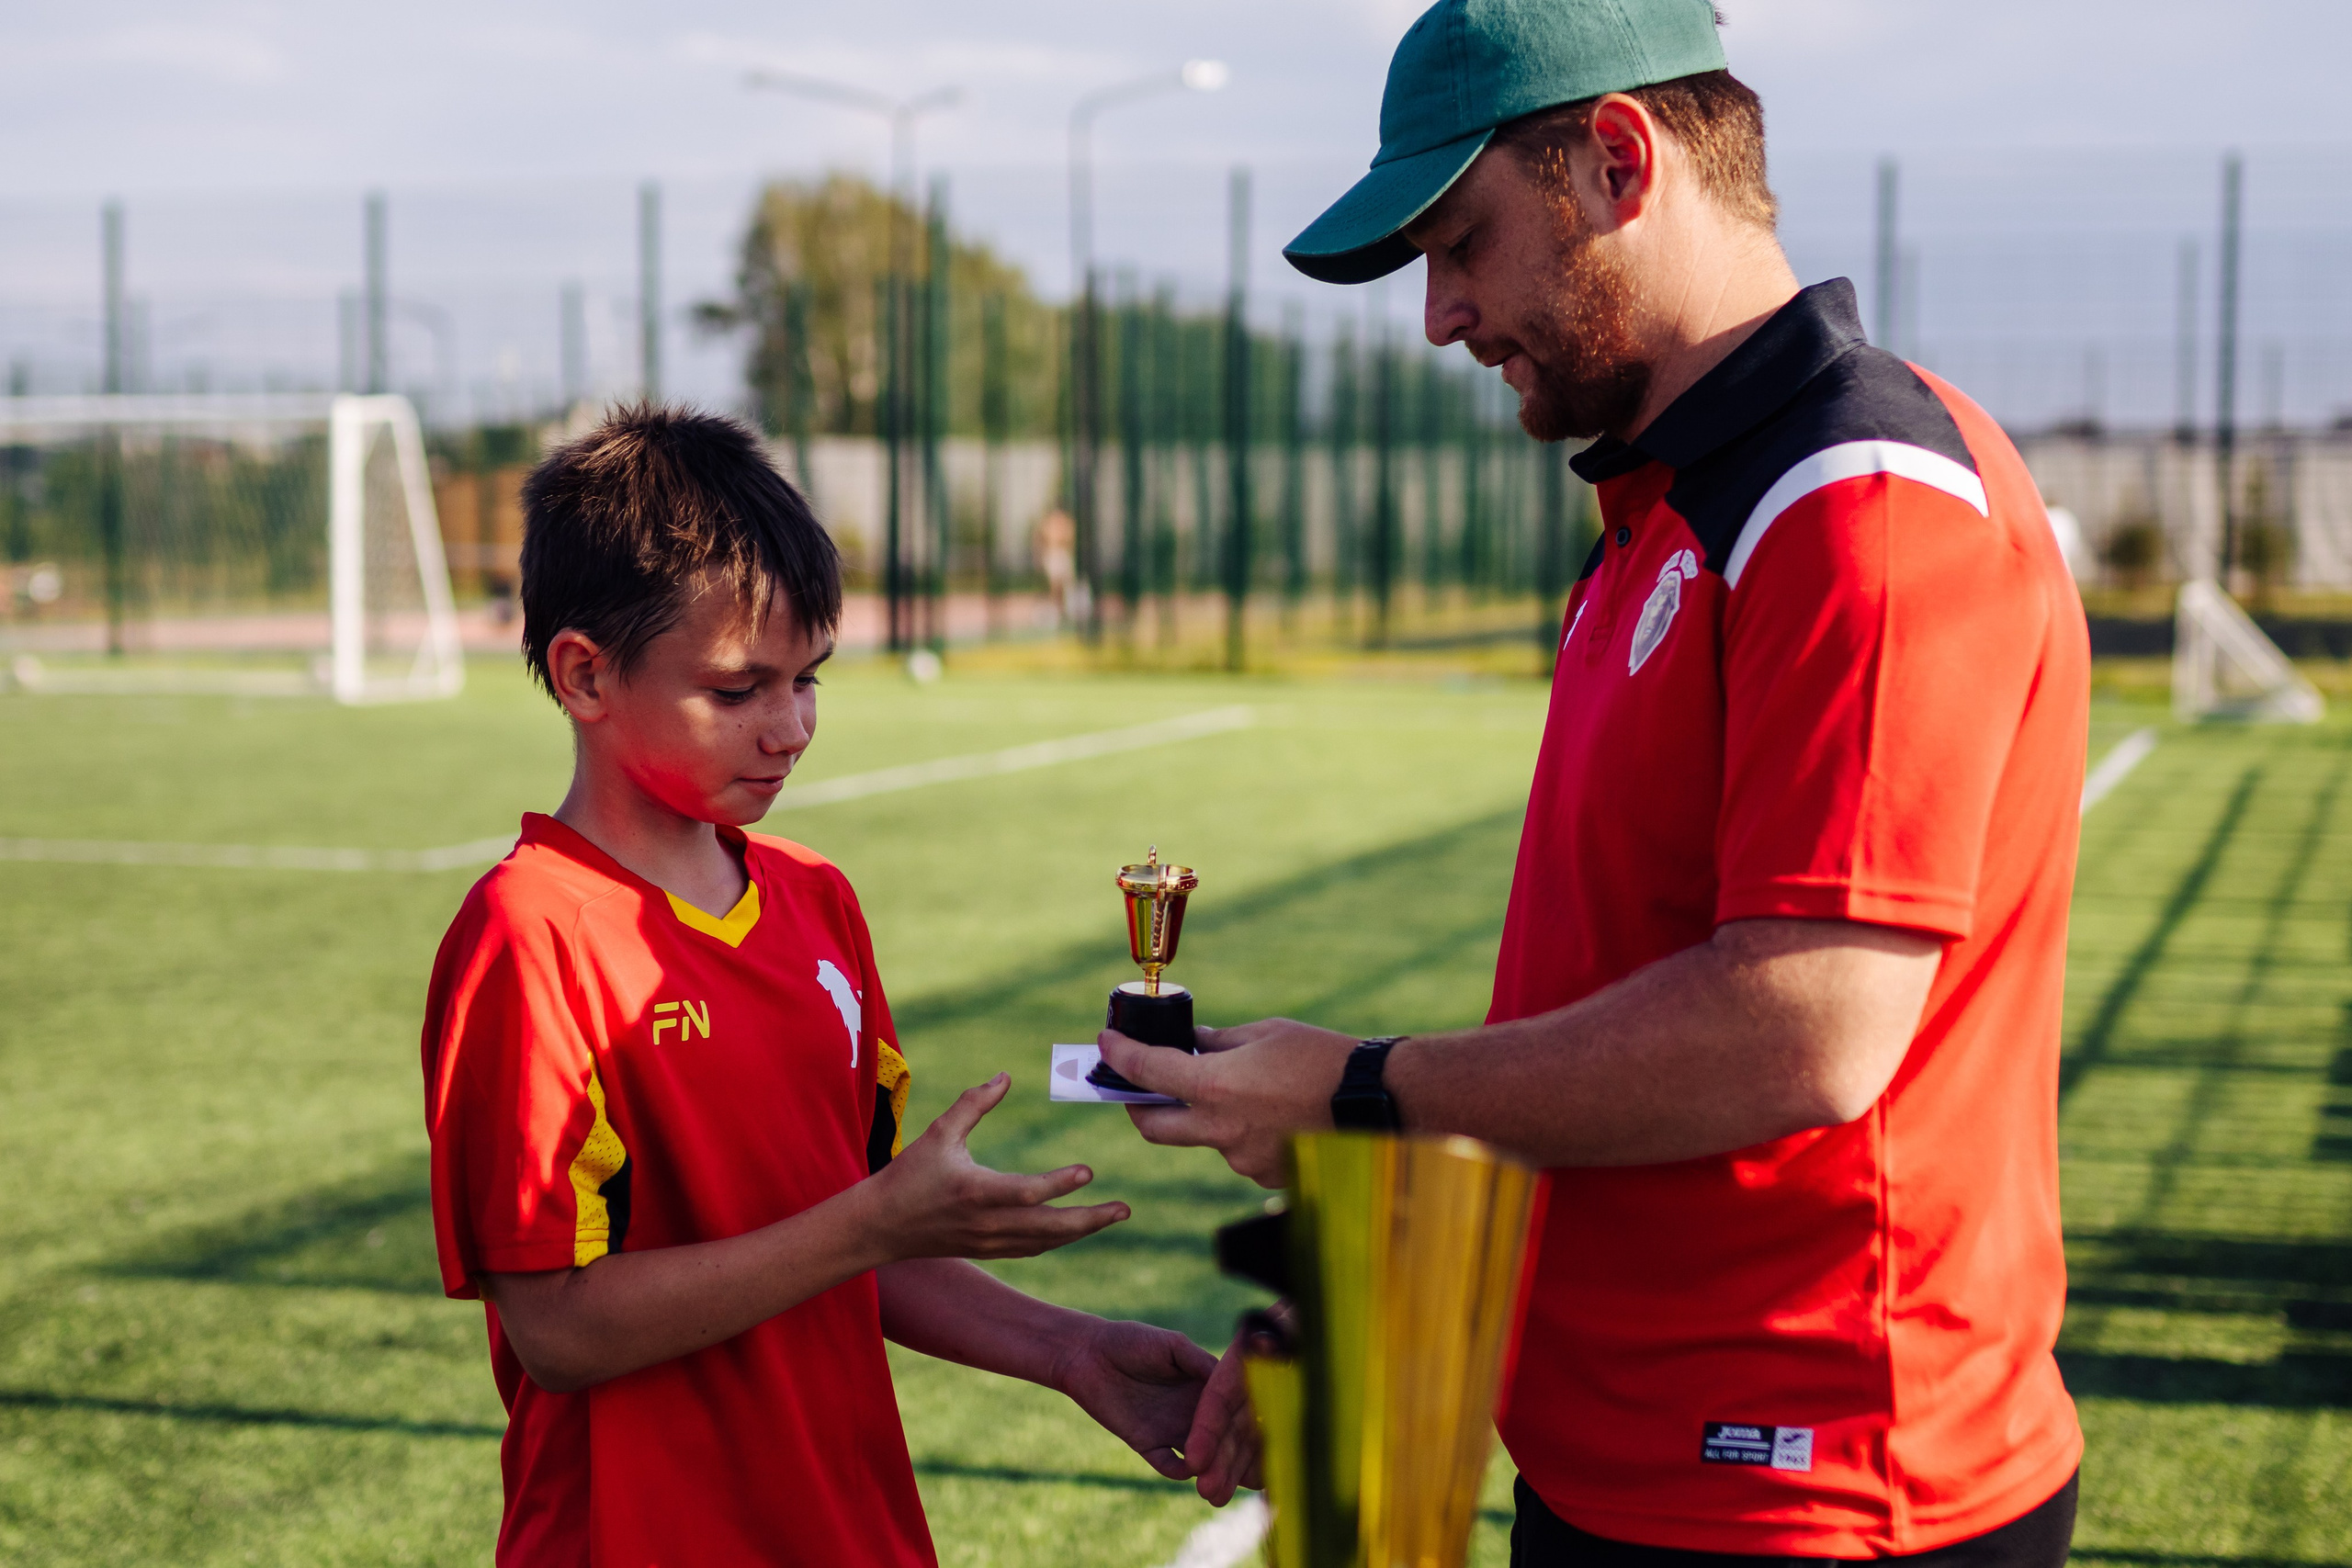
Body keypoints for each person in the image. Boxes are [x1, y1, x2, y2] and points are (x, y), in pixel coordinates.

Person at [1099, 2, 2090, 1564]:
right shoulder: (1662, 507)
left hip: (1814, 1494)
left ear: (1619, 159)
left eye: (1461, 242)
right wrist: (1372, 1297)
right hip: (1629, 1462)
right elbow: (1597, 988)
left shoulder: (1859, 504)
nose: (1439, 314)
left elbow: (1811, 1033)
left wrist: (1357, 1090)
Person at [420, 406, 1225, 1566]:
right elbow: (559, 1329)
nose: (791, 727)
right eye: (740, 691)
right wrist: (870, 1222)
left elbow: (861, 1245)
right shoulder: (530, 934)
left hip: (852, 1529)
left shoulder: (816, 899)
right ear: (585, 675)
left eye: (810, 680)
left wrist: (1069, 1352)